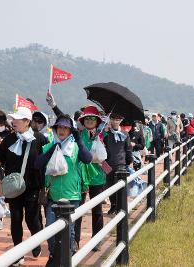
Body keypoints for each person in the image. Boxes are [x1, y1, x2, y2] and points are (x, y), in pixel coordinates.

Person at [0, 107, 47, 266]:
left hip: (33, 186)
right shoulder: (8, 139)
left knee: (31, 218)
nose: (13, 122)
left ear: (27, 121)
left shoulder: (40, 139)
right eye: (13, 119)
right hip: (14, 187)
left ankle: (36, 242)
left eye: (17, 119)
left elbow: (47, 161)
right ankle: (18, 252)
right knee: (15, 219)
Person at [35, 114, 92, 266]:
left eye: (65, 128)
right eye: (59, 127)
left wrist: (79, 141)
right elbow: (37, 164)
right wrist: (50, 152)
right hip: (53, 196)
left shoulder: (74, 148)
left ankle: (67, 258)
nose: (62, 130)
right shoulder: (48, 146)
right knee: (50, 229)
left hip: (72, 196)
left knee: (69, 231)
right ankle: (54, 255)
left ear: (70, 131)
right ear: (55, 129)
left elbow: (87, 158)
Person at [74, 106, 106, 252]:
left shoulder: (103, 134)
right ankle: (75, 241)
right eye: (87, 118)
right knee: (78, 210)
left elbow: (108, 157)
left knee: (97, 210)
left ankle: (97, 239)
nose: (89, 121)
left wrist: (101, 143)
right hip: (81, 177)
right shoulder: (79, 135)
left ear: (97, 121)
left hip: (97, 177)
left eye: (92, 119)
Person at [103, 113, 133, 214]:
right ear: (110, 119)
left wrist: (129, 162)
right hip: (108, 164)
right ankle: (113, 205)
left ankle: (121, 206)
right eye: (113, 118)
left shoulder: (125, 133)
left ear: (121, 120)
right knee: (110, 186)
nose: (116, 120)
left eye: (118, 118)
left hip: (121, 164)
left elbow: (128, 149)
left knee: (121, 186)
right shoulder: (106, 133)